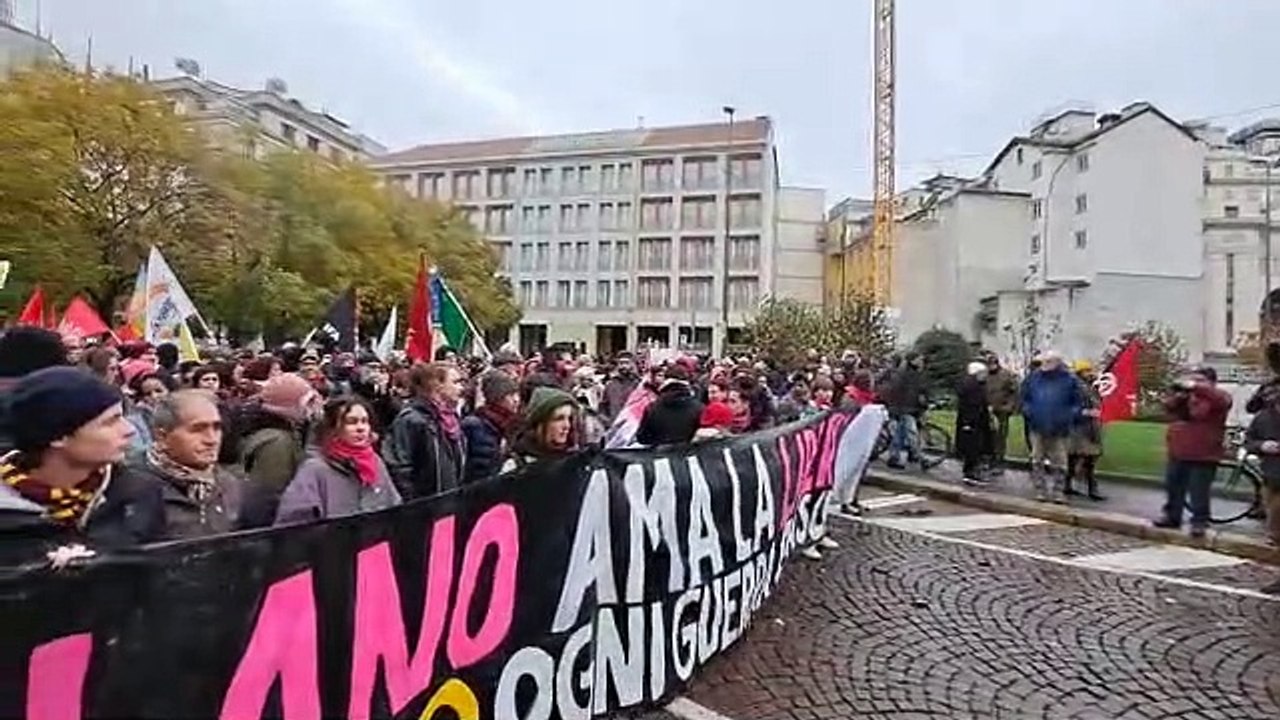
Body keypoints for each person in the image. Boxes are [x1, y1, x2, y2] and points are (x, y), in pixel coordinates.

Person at [0, 368, 163, 562]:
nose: (129, 430)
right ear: (58, 436)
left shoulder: (138, 493)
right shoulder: (8, 512)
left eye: (123, 417)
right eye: (110, 422)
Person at [120, 391, 243, 538]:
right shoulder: (129, 490)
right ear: (162, 436)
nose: (212, 440)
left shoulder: (231, 486)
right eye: (197, 429)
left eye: (216, 428)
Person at [274, 397, 401, 524]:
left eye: (364, 421)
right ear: (333, 428)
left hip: (375, 541)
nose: (361, 428)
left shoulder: (375, 461)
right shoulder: (315, 469)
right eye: (351, 422)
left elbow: (394, 506)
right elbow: (293, 524)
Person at [1154, 366, 1232, 538]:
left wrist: (1194, 386)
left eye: (1200, 380)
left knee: (1199, 491)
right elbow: (1168, 408)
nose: (1195, 383)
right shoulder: (1187, 398)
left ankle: (1199, 522)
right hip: (1179, 450)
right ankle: (1172, 516)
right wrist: (1178, 396)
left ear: (1211, 382)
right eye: (1193, 379)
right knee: (1173, 486)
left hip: (1204, 453)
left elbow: (1220, 400)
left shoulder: (1219, 397)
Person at [237, 373, 317, 528]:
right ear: (290, 406)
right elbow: (269, 495)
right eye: (308, 403)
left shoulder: (278, 432)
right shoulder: (277, 443)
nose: (311, 409)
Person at [384, 362, 466, 499]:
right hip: (424, 508)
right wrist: (415, 503)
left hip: (448, 503)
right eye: (455, 382)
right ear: (437, 386)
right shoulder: (412, 420)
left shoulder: (451, 419)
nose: (461, 388)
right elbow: (400, 468)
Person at [1020, 351, 1083, 503]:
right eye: (1044, 361)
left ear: (1058, 363)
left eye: (1049, 361)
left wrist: (1069, 415)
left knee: (1060, 461)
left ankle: (1058, 491)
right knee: (1037, 458)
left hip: (1060, 427)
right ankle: (1040, 490)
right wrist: (1029, 411)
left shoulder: (1069, 380)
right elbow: (1024, 398)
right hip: (1037, 424)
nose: (1045, 365)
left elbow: (1077, 402)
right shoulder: (1033, 379)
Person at [461, 371, 521, 484]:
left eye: (517, 394)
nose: (516, 400)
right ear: (497, 397)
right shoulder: (474, 425)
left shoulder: (512, 424)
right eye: (510, 395)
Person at [505, 386, 580, 468]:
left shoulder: (574, 462)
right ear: (539, 423)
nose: (567, 426)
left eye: (569, 418)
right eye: (559, 419)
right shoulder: (515, 467)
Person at [1243, 388, 1280, 550]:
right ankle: (1273, 536)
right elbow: (1250, 441)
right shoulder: (1263, 417)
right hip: (1271, 470)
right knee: (1271, 504)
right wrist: (1262, 445)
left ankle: (1274, 536)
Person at [1065, 360, 1106, 501]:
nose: (1090, 373)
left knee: (1081, 458)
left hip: (1090, 427)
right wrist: (1084, 412)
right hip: (1080, 427)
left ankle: (1069, 484)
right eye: (1087, 371)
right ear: (1081, 372)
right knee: (1084, 458)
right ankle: (1091, 489)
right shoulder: (1074, 387)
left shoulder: (1091, 387)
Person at [636, 365, 705, 446]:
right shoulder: (700, 408)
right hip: (687, 455)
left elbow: (642, 438)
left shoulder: (652, 408)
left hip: (660, 455)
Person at [883, 353, 927, 469]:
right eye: (919, 359)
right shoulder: (909, 376)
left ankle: (897, 457)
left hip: (903, 408)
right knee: (910, 433)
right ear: (912, 361)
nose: (921, 362)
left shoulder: (904, 374)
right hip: (905, 409)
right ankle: (918, 457)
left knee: (900, 434)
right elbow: (911, 394)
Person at [955, 361, 993, 485]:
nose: (985, 375)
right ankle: (971, 474)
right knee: (973, 448)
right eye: (983, 373)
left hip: (974, 421)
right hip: (973, 422)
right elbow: (970, 406)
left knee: (974, 447)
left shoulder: (973, 385)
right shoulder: (972, 387)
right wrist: (968, 423)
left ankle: (972, 472)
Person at [984, 354, 1020, 473]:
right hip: (987, 410)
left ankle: (999, 462)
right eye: (989, 364)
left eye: (993, 364)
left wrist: (1009, 407)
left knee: (1000, 437)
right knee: (988, 436)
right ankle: (989, 460)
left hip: (1002, 411)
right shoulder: (985, 376)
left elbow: (1014, 392)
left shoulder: (1006, 375)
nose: (991, 367)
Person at [600, 351, 640, 422]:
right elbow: (603, 406)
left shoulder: (638, 384)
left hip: (632, 425)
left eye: (627, 363)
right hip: (613, 424)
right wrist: (605, 420)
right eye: (621, 363)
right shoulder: (611, 384)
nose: (624, 366)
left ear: (632, 364)